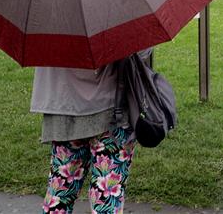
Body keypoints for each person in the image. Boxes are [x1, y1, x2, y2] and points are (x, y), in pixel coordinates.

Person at [31, 52, 148, 213]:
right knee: (107, 198)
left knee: (59, 196)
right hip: (111, 111)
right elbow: (141, 52)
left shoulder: (46, 26)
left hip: (64, 108)